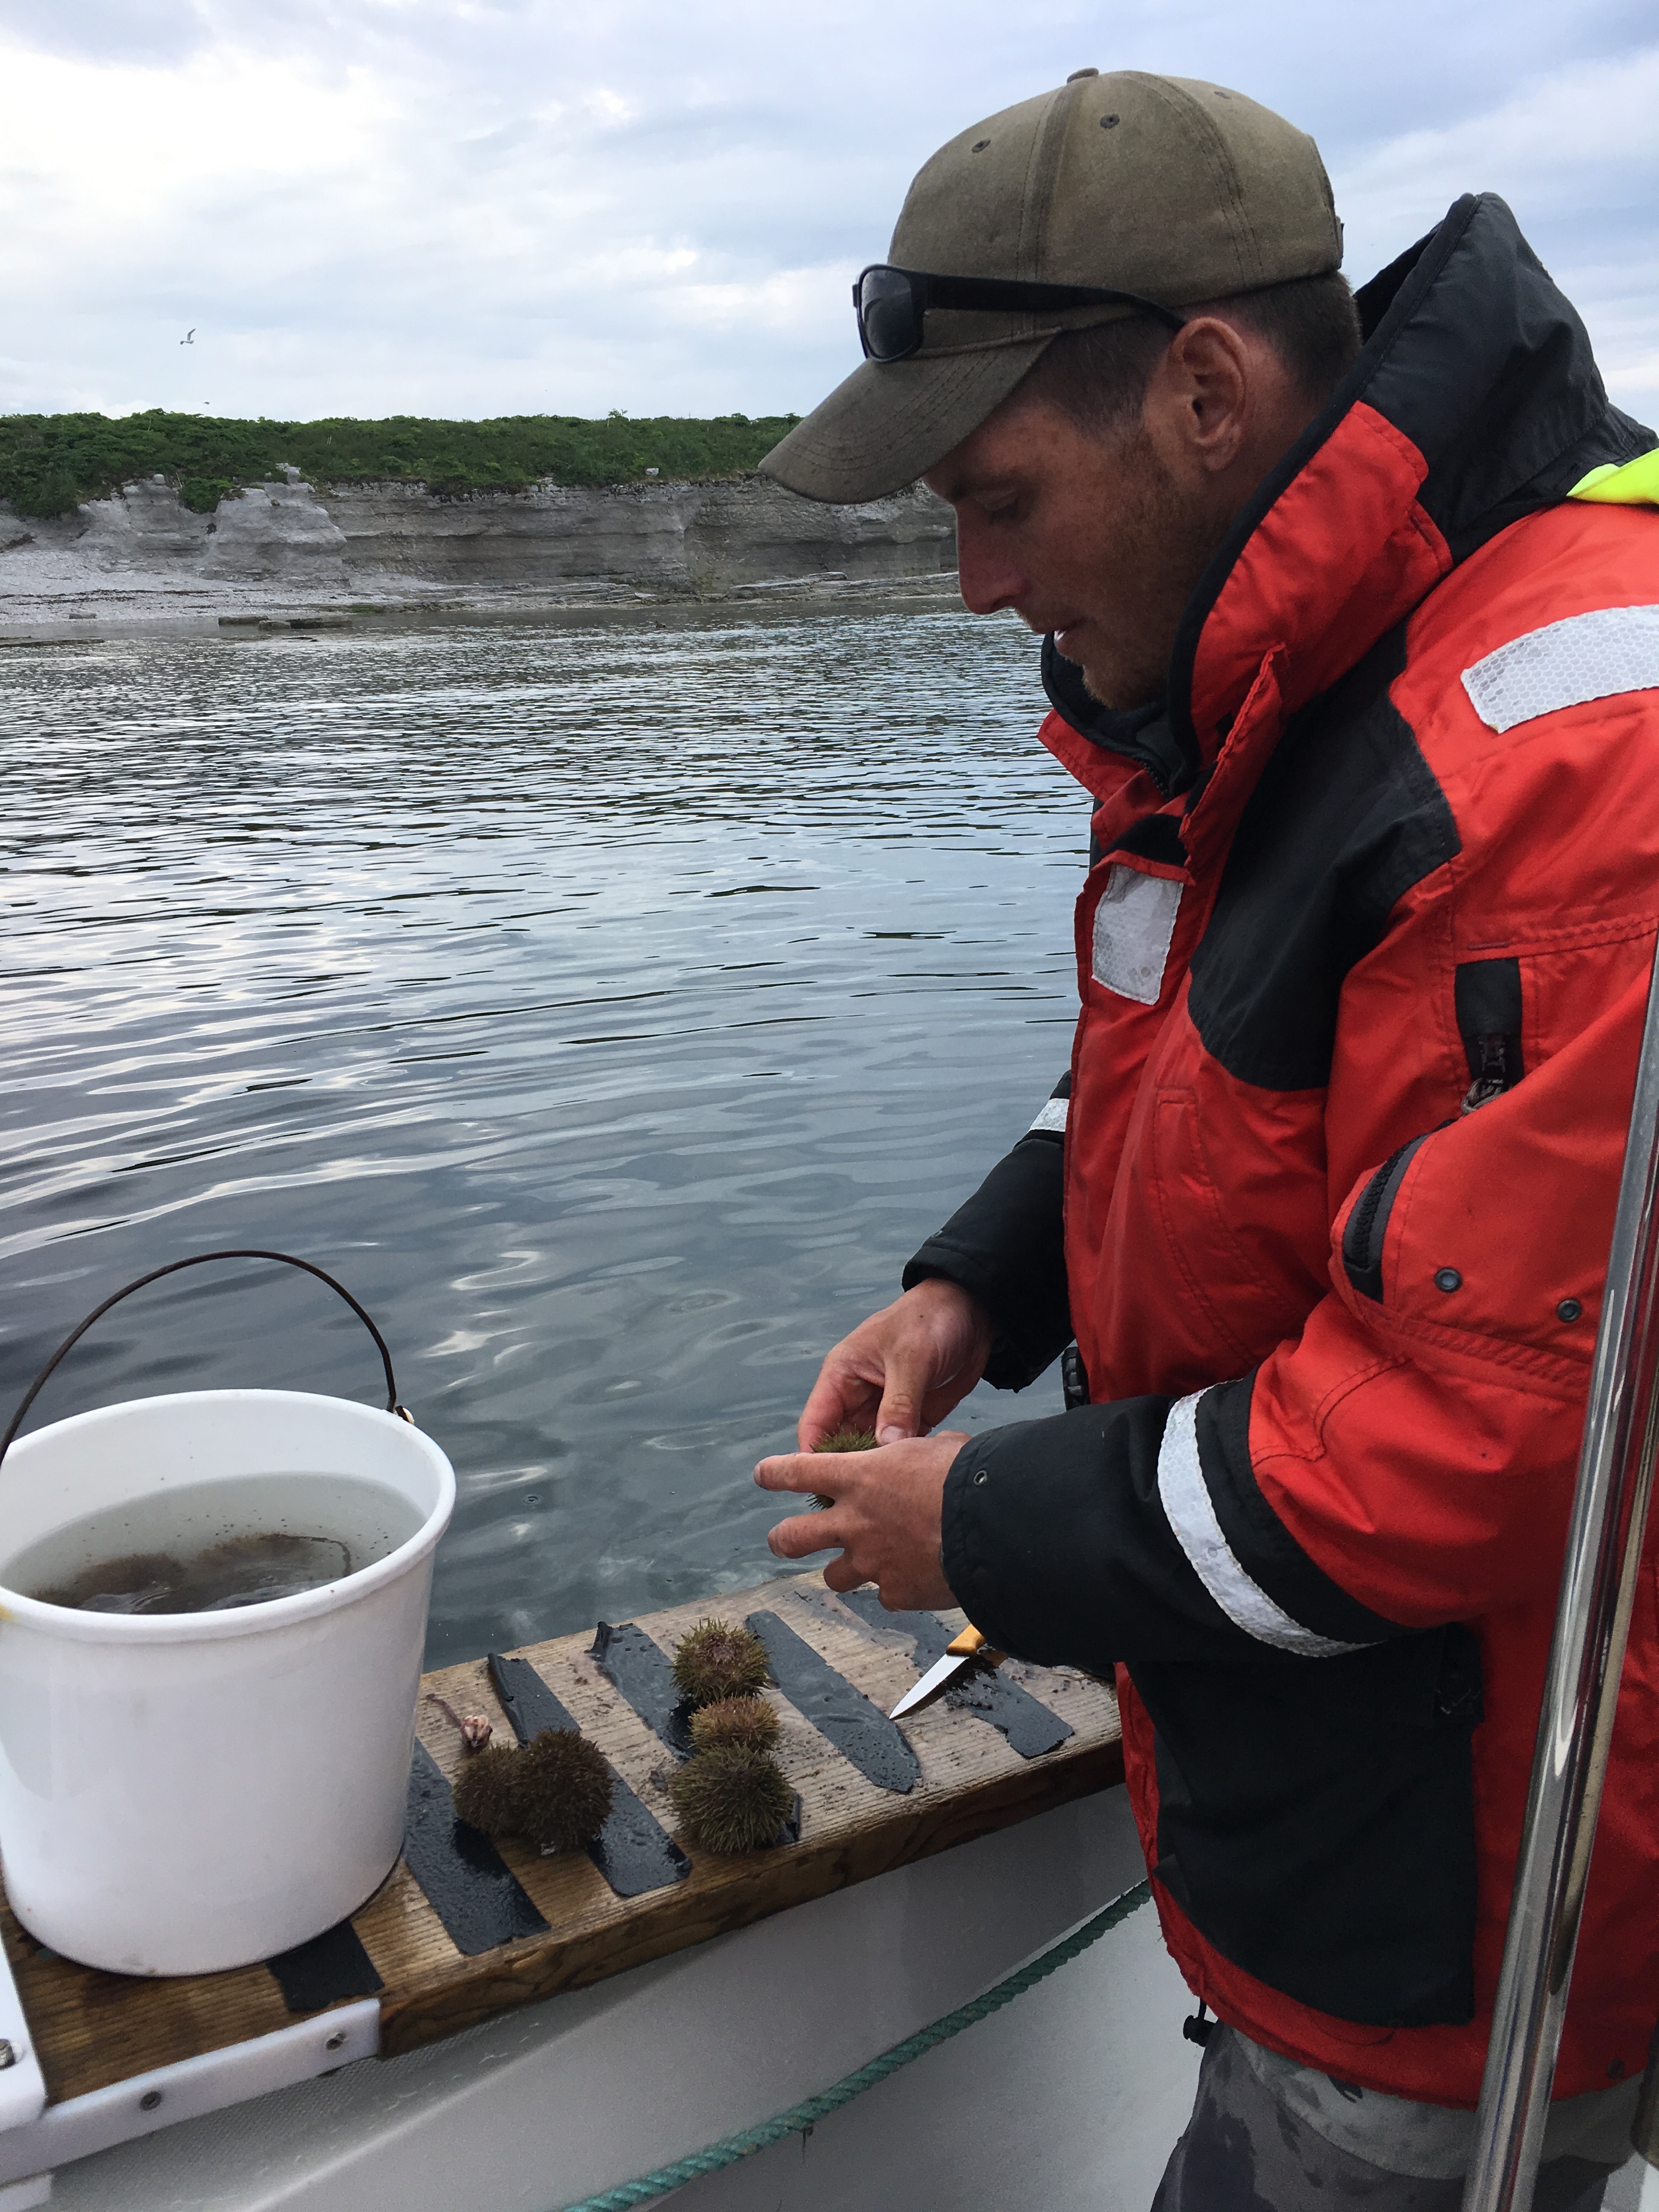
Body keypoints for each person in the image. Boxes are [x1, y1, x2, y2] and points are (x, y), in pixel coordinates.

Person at [748, 66, 1659, 2212]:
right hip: (1322, 1837)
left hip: (1469, 1914)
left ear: (1212, 396)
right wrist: (984, 1276)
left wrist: (978, 1535)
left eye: (998, 495)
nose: (974, 585)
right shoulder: (1274, 687)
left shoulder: (1556, 754)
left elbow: (1447, 1451)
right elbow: (1188, 1077)